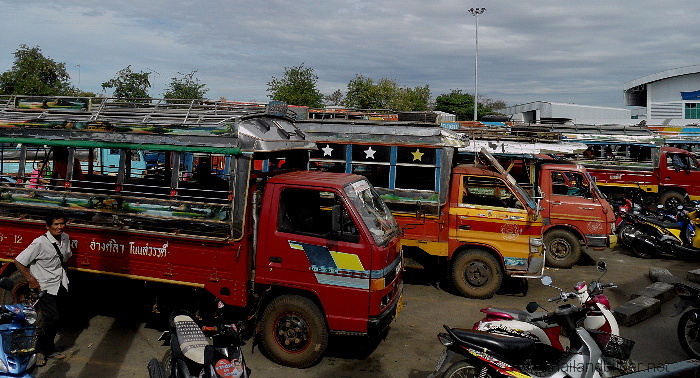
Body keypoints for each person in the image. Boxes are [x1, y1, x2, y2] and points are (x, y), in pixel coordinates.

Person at [14, 210, 72, 366]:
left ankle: (50, 349)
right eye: (56, 224)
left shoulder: (65, 238)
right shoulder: (39, 242)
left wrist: (64, 275)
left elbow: (65, 258)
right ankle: (39, 350)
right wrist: (31, 280)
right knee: (51, 318)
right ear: (48, 226)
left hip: (60, 283)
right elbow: (19, 261)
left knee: (57, 318)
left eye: (62, 223)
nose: (60, 227)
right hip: (44, 286)